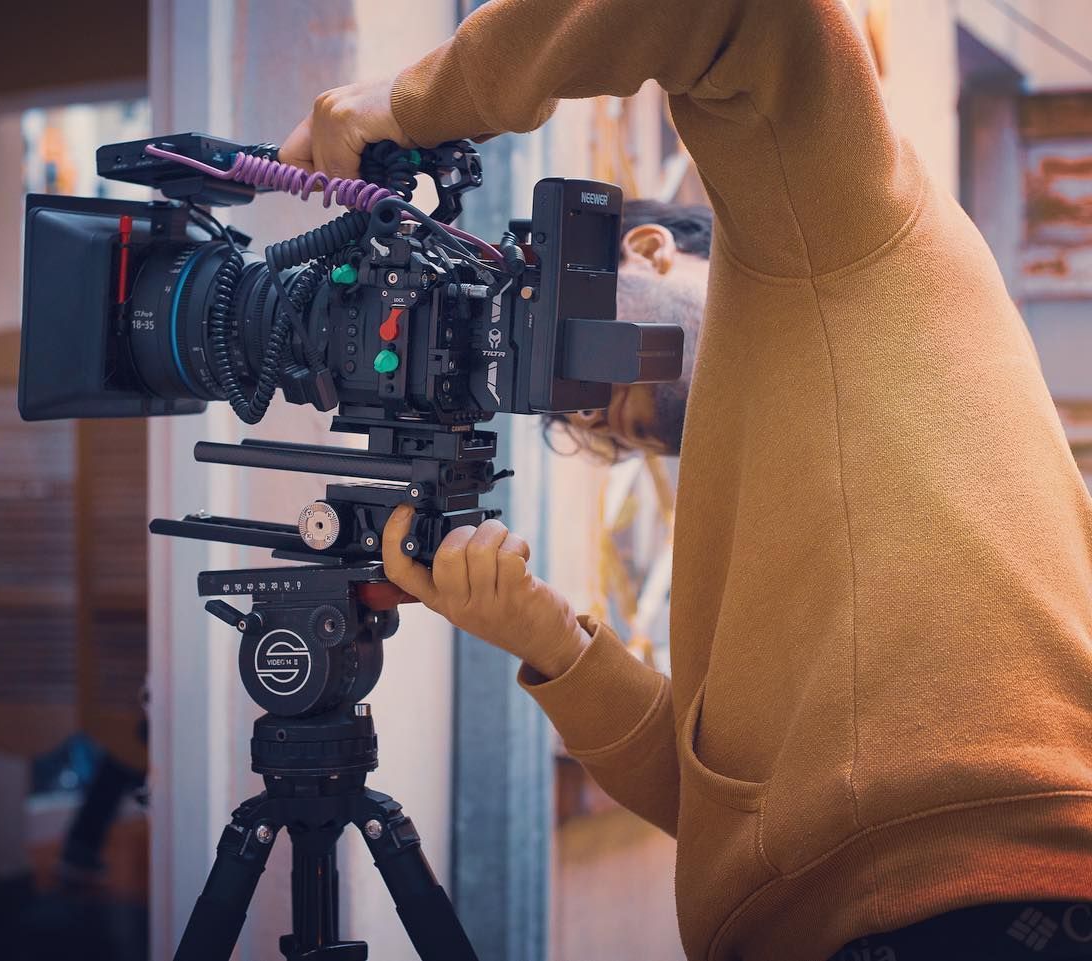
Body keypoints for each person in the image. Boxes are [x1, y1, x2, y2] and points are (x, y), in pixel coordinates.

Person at [282, 2, 1092, 960]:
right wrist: (546, 637)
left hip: (982, 903)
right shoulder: (774, 467)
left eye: (596, 354)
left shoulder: (832, 227)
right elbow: (739, 811)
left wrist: (408, 102)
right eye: (590, 412)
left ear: (651, 248)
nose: (592, 405)